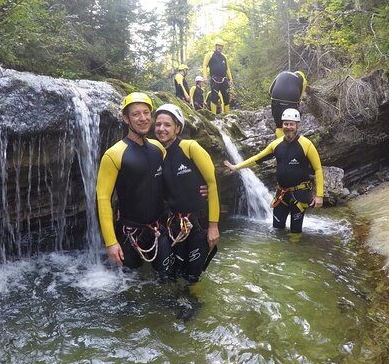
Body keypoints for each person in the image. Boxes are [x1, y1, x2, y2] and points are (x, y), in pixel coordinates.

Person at [96, 92, 173, 280]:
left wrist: (198, 191)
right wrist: (111, 242)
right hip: (129, 234)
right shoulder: (114, 154)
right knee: (130, 289)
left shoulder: (158, 148)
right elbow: (103, 198)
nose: (143, 118)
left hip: (158, 231)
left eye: (146, 113)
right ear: (126, 118)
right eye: (136, 114)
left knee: (169, 279)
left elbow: (171, 181)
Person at [223, 108, 323, 234]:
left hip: (300, 194)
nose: (289, 127)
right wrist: (237, 167)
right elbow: (258, 158)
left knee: (296, 231)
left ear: (297, 125)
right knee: (277, 229)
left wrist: (319, 195)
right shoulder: (276, 144)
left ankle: (295, 250)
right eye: (286, 124)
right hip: (281, 194)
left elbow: (318, 169)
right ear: (282, 125)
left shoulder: (306, 145)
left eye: (292, 124)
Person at [154, 104, 220, 284]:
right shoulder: (159, 154)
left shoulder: (190, 147)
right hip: (175, 223)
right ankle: (175, 302)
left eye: (167, 124)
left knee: (192, 277)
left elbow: (212, 183)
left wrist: (213, 226)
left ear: (177, 127)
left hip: (199, 224)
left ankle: (192, 304)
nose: (161, 129)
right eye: (158, 124)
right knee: (171, 274)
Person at [269, 70, 307, 138]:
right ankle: (291, 139)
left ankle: (280, 141)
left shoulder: (282, 73)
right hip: (291, 102)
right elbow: (300, 97)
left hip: (276, 99)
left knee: (279, 125)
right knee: (291, 122)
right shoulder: (302, 80)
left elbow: (270, 90)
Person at [202, 39, 233, 114]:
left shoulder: (224, 57)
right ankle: (213, 114)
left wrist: (230, 79)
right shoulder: (210, 54)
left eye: (221, 46)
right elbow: (205, 65)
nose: (220, 47)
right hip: (214, 79)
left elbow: (227, 68)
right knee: (214, 97)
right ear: (215, 46)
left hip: (224, 79)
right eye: (218, 46)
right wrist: (205, 77)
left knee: (226, 96)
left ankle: (227, 114)